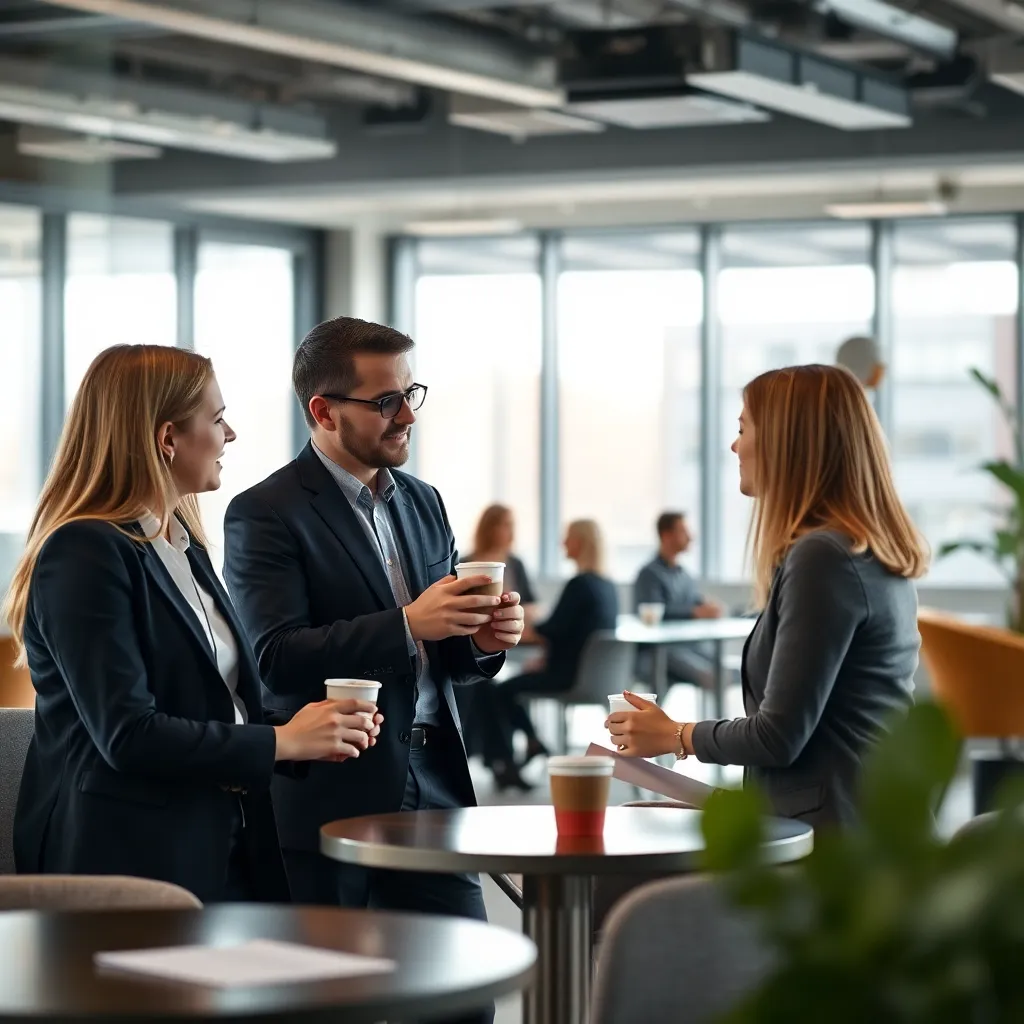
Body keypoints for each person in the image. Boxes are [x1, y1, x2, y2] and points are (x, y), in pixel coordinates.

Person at [223, 318, 524, 1024]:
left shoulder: (423, 502)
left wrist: (481, 640)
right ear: (323, 412)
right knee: (333, 1001)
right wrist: (406, 623)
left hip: (436, 789)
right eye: (386, 400)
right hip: (333, 793)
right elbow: (275, 658)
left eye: (410, 392)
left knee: (463, 1000)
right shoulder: (264, 513)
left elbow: (450, 660)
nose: (408, 414)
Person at [1, 345, 380, 904]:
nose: (230, 436)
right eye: (218, 418)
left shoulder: (183, 545)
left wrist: (305, 731)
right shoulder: (84, 552)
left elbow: (208, 700)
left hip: (220, 831)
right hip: (127, 855)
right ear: (167, 438)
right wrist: (279, 741)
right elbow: (128, 735)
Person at [608, 364, 927, 831]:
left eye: (743, 429)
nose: (735, 446)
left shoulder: (824, 556)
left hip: (835, 848)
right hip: (862, 824)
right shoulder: (860, 549)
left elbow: (779, 736)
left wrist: (677, 734)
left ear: (788, 441)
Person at [492, 520, 618, 765]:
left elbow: (553, 629)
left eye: (568, 537)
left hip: (567, 677)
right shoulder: (607, 586)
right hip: (595, 677)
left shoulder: (579, 585)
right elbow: (575, 634)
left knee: (501, 691)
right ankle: (530, 744)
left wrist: (531, 623)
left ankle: (524, 747)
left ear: (580, 543)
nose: (563, 543)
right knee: (514, 683)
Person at [455, 504, 539, 774]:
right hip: (474, 644)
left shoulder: (516, 564)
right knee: (484, 686)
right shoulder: (467, 562)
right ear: (489, 527)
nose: (507, 531)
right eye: (502, 524)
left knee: (489, 687)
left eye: (510, 525)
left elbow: (534, 605)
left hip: (514, 640)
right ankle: (505, 762)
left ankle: (502, 762)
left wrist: (517, 613)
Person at [633, 511, 724, 696]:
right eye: (683, 531)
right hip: (658, 652)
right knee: (710, 675)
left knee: (729, 671)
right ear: (666, 535)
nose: (690, 537)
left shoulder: (683, 574)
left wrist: (707, 608)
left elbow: (695, 602)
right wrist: (695, 613)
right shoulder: (649, 574)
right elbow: (652, 613)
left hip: (688, 647)